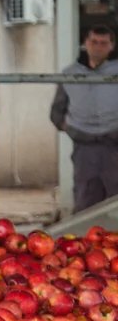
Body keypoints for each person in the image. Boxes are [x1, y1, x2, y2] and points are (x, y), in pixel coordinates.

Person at [50, 24, 118, 213]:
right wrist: (71, 129)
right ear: (85, 44)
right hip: (84, 149)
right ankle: (85, 242)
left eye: (103, 43)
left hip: (114, 147)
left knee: (115, 202)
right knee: (85, 200)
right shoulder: (70, 73)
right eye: (94, 42)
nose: (98, 47)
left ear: (111, 46)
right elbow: (56, 111)